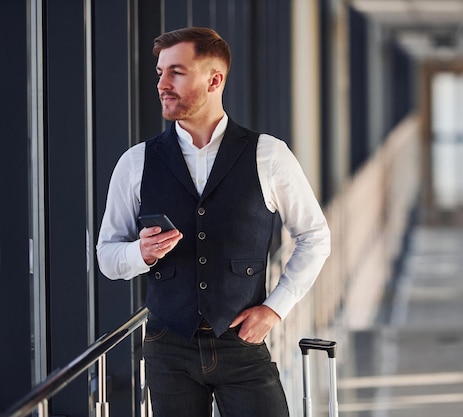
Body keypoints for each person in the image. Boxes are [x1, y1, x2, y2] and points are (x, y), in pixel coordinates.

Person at [96, 27, 331, 417]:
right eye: (160, 73)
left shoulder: (269, 155)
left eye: (177, 72)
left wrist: (275, 309)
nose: (162, 84)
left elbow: (315, 237)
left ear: (214, 80)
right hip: (167, 348)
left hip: (242, 344)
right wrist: (141, 252)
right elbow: (107, 255)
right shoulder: (136, 162)